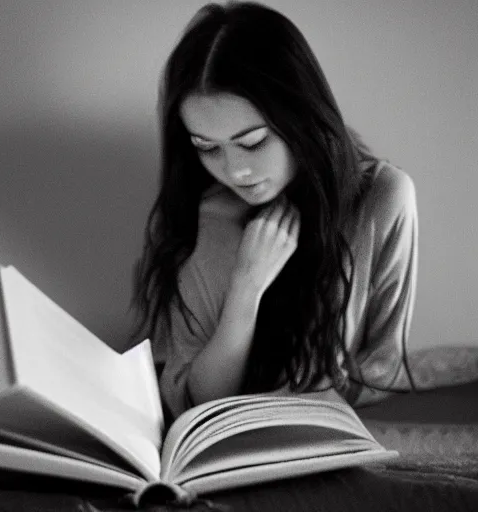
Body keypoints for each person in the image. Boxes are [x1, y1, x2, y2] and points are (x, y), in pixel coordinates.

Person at [131, 1, 418, 420]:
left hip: (326, 436)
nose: (235, 170)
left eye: (252, 143)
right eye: (206, 148)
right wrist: (247, 286)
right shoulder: (207, 214)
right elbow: (199, 401)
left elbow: (383, 367)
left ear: (299, 118)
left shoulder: (381, 199)